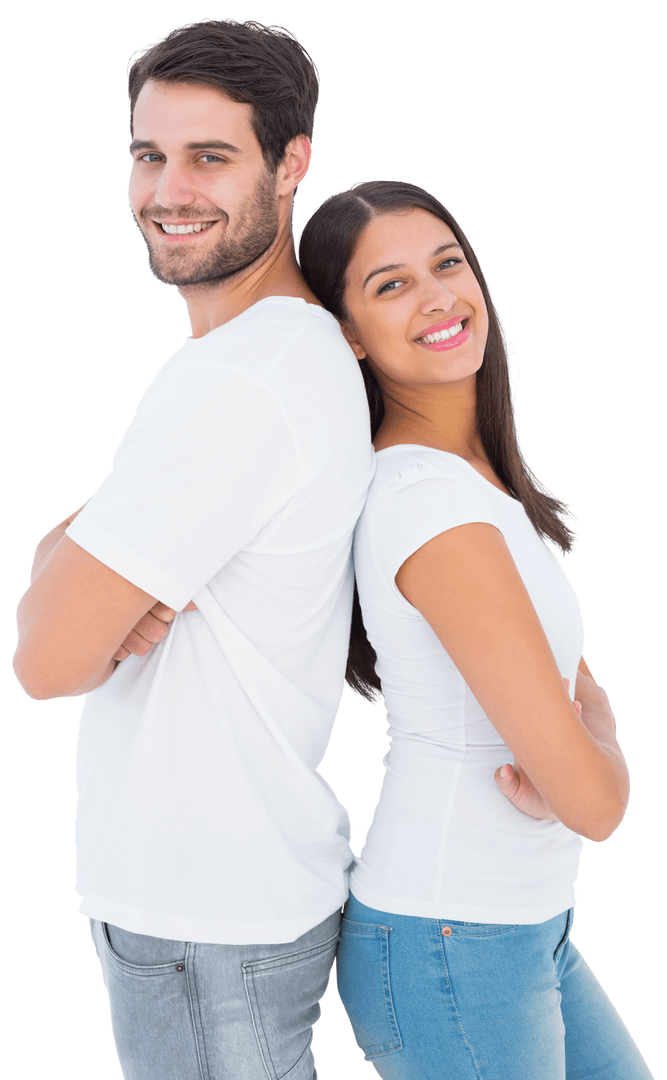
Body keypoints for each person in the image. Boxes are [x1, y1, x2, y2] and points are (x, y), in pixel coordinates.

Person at [12, 19, 374, 1080]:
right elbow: (63, 579)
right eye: (148, 155)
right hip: (207, 905)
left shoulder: (241, 382)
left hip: (209, 921)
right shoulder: (248, 360)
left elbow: (45, 662)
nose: (168, 190)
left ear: (290, 162)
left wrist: (73, 594)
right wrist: (67, 573)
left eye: (210, 157)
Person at [297, 180, 653, 1079]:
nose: (437, 297)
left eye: (446, 264)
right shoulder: (430, 507)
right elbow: (593, 800)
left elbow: (567, 700)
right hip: (451, 941)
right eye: (390, 286)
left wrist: (578, 752)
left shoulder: (473, 492)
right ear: (347, 334)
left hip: (517, 927)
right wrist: (597, 751)